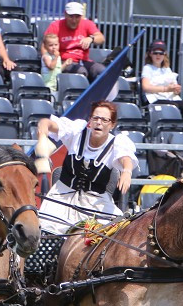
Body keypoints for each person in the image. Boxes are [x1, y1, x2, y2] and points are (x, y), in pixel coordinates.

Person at [37, 100, 135, 234]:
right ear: (90, 120)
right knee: (45, 229)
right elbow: (48, 123)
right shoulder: (77, 131)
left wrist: (127, 172)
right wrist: (43, 131)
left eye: (104, 120)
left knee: (116, 233)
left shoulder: (117, 143)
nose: (99, 122)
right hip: (62, 196)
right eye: (95, 118)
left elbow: (126, 158)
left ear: (112, 124)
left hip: (95, 202)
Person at [41, 1, 106, 82]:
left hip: (84, 60)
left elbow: (101, 38)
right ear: (65, 14)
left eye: (77, 17)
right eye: (71, 16)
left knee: (102, 71)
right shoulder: (56, 26)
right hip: (65, 61)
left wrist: (91, 38)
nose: (74, 20)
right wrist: (48, 62)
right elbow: (44, 45)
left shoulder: (87, 24)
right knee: (81, 72)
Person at [141, 40, 183, 118]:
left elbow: (174, 87)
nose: (158, 55)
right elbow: (146, 87)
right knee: (173, 106)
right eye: (155, 53)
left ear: (164, 55)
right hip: (155, 99)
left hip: (170, 98)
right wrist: (166, 89)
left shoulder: (167, 69)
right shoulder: (147, 68)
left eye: (161, 53)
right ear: (150, 54)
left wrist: (176, 89)